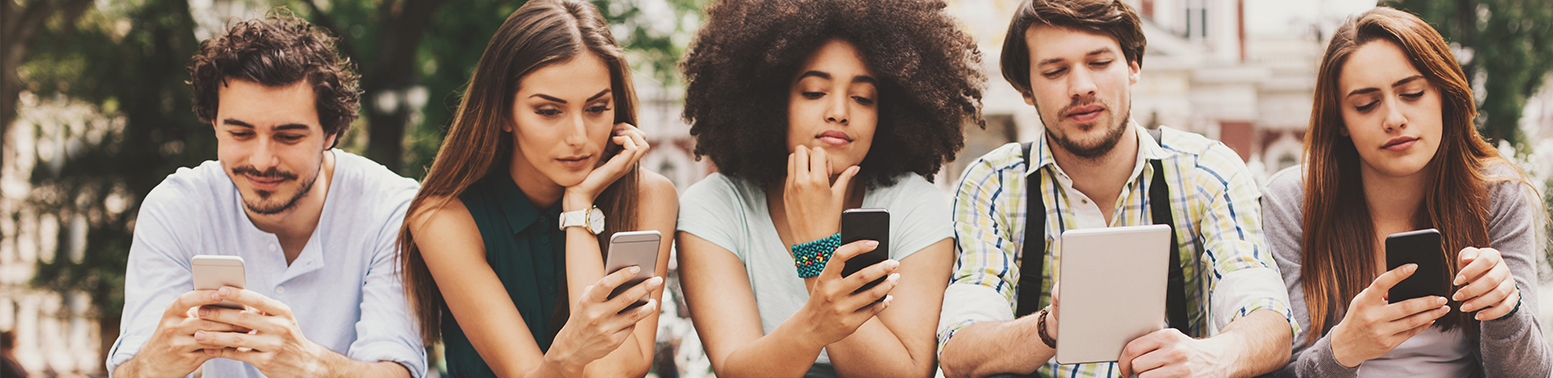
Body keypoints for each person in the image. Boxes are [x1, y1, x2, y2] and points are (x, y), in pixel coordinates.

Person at [936, 0, 1297, 377]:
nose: (1082, 87)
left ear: (1133, 66)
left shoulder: (1208, 169)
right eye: (1055, 71)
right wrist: (1050, 325)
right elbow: (960, 349)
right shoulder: (992, 183)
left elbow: (1267, 315)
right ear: (1027, 91)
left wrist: (1213, 357)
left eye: (1099, 62)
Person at [105, 10, 425, 378]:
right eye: (240, 133)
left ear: (332, 133)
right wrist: (156, 363)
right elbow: (131, 370)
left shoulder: (390, 208)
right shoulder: (176, 209)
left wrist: (309, 366)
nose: (261, 161)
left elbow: (398, 369)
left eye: (288, 136)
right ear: (214, 125)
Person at [674, 0, 984, 376]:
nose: (839, 111)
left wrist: (817, 249)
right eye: (814, 91)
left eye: (862, 98)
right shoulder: (715, 206)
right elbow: (738, 371)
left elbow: (903, 374)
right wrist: (817, 258)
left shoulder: (916, 206)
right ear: (771, 102)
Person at [1259, 7, 1552, 377]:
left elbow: (1531, 373)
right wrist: (1344, 348)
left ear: (1445, 96)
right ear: (1341, 122)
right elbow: (1283, 368)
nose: (1394, 118)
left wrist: (1506, 312)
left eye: (1412, 93)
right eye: (1366, 104)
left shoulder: (1496, 194)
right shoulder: (1293, 201)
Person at [396, 0, 678, 377]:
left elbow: (610, 372)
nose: (579, 137)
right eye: (549, 111)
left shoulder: (649, 196)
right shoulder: (443, 216)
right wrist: (567, 357)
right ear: (502, 112)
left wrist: (579, 209)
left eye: (596, 108)